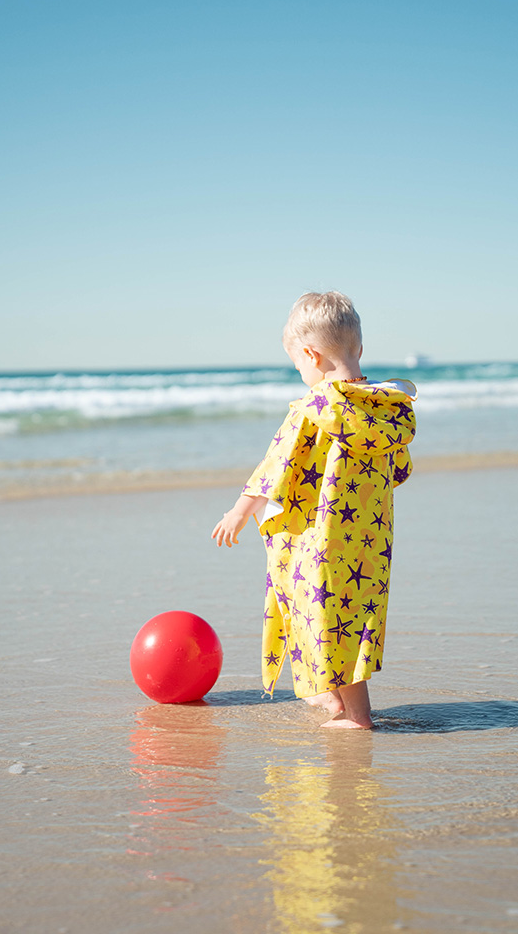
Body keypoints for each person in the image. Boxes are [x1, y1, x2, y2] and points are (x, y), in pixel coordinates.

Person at [211, 291, 416, 728]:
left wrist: (239, 511)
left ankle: (357, 716)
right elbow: (399, 469)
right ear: (358, 349)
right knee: (349, 619)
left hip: (321, 540)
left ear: (310, 354)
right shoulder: (385, 409)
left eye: (298, 364)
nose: (301, 373)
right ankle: (335, 700)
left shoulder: (313, 408)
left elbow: (274, 468)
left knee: (322, 617)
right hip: (369, 541)